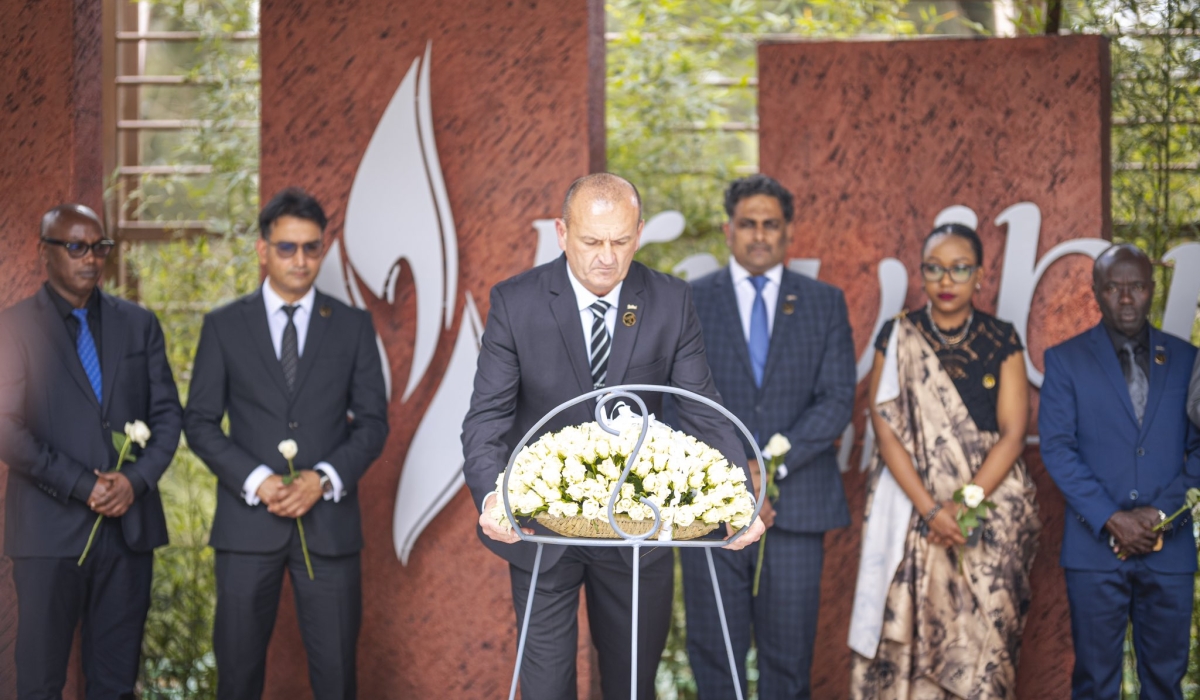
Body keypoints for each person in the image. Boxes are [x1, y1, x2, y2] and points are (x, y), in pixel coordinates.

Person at [461, 173, 765, 700]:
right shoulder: (516, 302)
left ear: (639, 234)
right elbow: (486, 418)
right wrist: (494, 496)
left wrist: (738, 497)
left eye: (621, 242)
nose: (607, 257)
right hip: (540, 529)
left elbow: (703, 410)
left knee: (631, 686)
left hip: (638, 531)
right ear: (561, 232)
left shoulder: (670, 301)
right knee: (545, 689)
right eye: (591, 241)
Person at [183, 188, 389, 700]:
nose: (300, 260)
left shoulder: (353, 327)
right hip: (246, 527)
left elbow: (372, 423)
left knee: (337, 678)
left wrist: (323, 479)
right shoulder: (224, 326)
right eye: (287, 248)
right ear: (262, 249)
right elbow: (200, 422)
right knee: (236, 676)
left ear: (324, 249)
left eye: (311, 248)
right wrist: (258, 481)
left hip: (330, 529)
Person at [679, 174, 856, 699]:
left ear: (789, 232)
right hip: (709, 509)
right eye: (748, 224)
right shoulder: (689, 300)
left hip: (797, 507)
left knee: (788, 663)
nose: (760, 235)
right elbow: (678, 402)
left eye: (771, 225)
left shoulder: (824, 302)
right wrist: (736, 474)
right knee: (714, 658)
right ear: (728, 230)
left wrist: (768, 468)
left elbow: (837, 399)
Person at [849, 223, 1041, 699]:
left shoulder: (1001, 339)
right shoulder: (897, 335)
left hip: (988, 506)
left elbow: (1013, 433)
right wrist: (931, 509)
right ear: (923, 274)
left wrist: (962, 503)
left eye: (959, 268)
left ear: (980, 275)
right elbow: (884, 426)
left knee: (987, 642)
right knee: (905, 647)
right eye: (934, 268)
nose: (946, 280)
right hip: (909, 503)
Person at [0, 204, 183, 699]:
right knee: (39, 683)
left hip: (128, 534)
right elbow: (6, 428)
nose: (91, 258)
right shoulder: (12, 328)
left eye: (99, 247)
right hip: (47, 533)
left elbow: (168, 417)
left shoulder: (139, 325)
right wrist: (83, 485)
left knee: (115, 685)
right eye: (76, 246)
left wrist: (135, 481)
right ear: (45, 253)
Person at [1039, 243, 1200, 699]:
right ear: (1096, 292)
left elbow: (1199, 448)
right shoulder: (1066, 360)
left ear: (1153, 291)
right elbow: (1057, 448)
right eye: (1114, 287)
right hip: (1094, 553)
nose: (1126, 298)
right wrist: (1114, 518)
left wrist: (1158, 516)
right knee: (1094, 683)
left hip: (1168, 549)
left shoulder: (1189, 360)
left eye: (1136, 286)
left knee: (1166, 684)